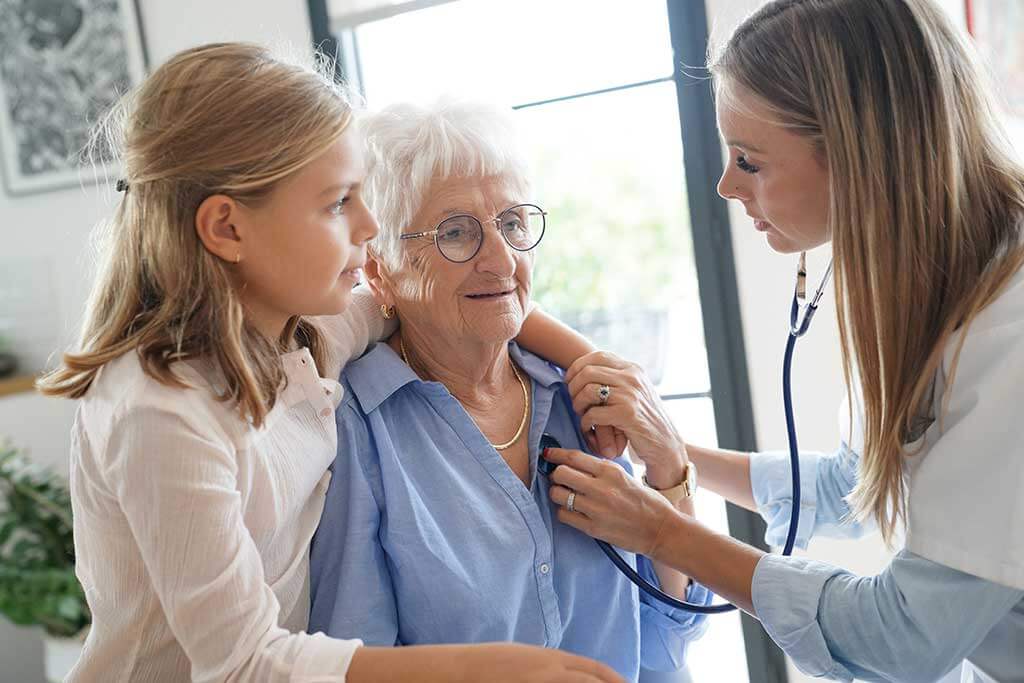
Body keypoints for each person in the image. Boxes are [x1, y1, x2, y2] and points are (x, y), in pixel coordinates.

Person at [38, 43, 623, 683]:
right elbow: (244, 664)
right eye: (339, 202)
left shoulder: (308, 336)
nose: (370, 225)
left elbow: (459, 292)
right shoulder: (159, 409)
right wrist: (494, 668)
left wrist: (595, 364)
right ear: (227, 229)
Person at [532, 1, 1024, 681]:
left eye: (749, 160)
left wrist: (663, 530)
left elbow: (903, 635)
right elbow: (846, 484)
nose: (726, 184)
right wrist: (671, 448)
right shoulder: (929, 286)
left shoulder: (1011, 334)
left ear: (859, 152)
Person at [307, 99, 712, 680]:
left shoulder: (581, 398)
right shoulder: (361, 433)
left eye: (514, 224)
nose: (500, 259)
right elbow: (351, 663)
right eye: (456, 233)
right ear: (382, 271)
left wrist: (669, 466)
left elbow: (671, 632)